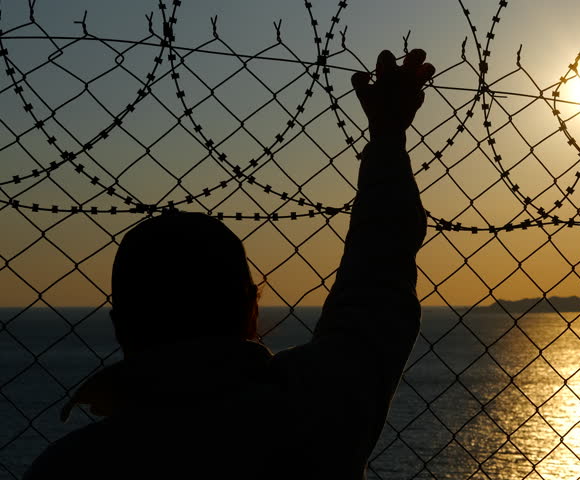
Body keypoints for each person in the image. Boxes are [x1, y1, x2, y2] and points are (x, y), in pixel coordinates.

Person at [25, 48, 434, 479]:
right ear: (250, 305)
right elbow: (378, 271)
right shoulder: (318, 408)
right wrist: (388, 133)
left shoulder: (70, 466)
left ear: (119, 324)